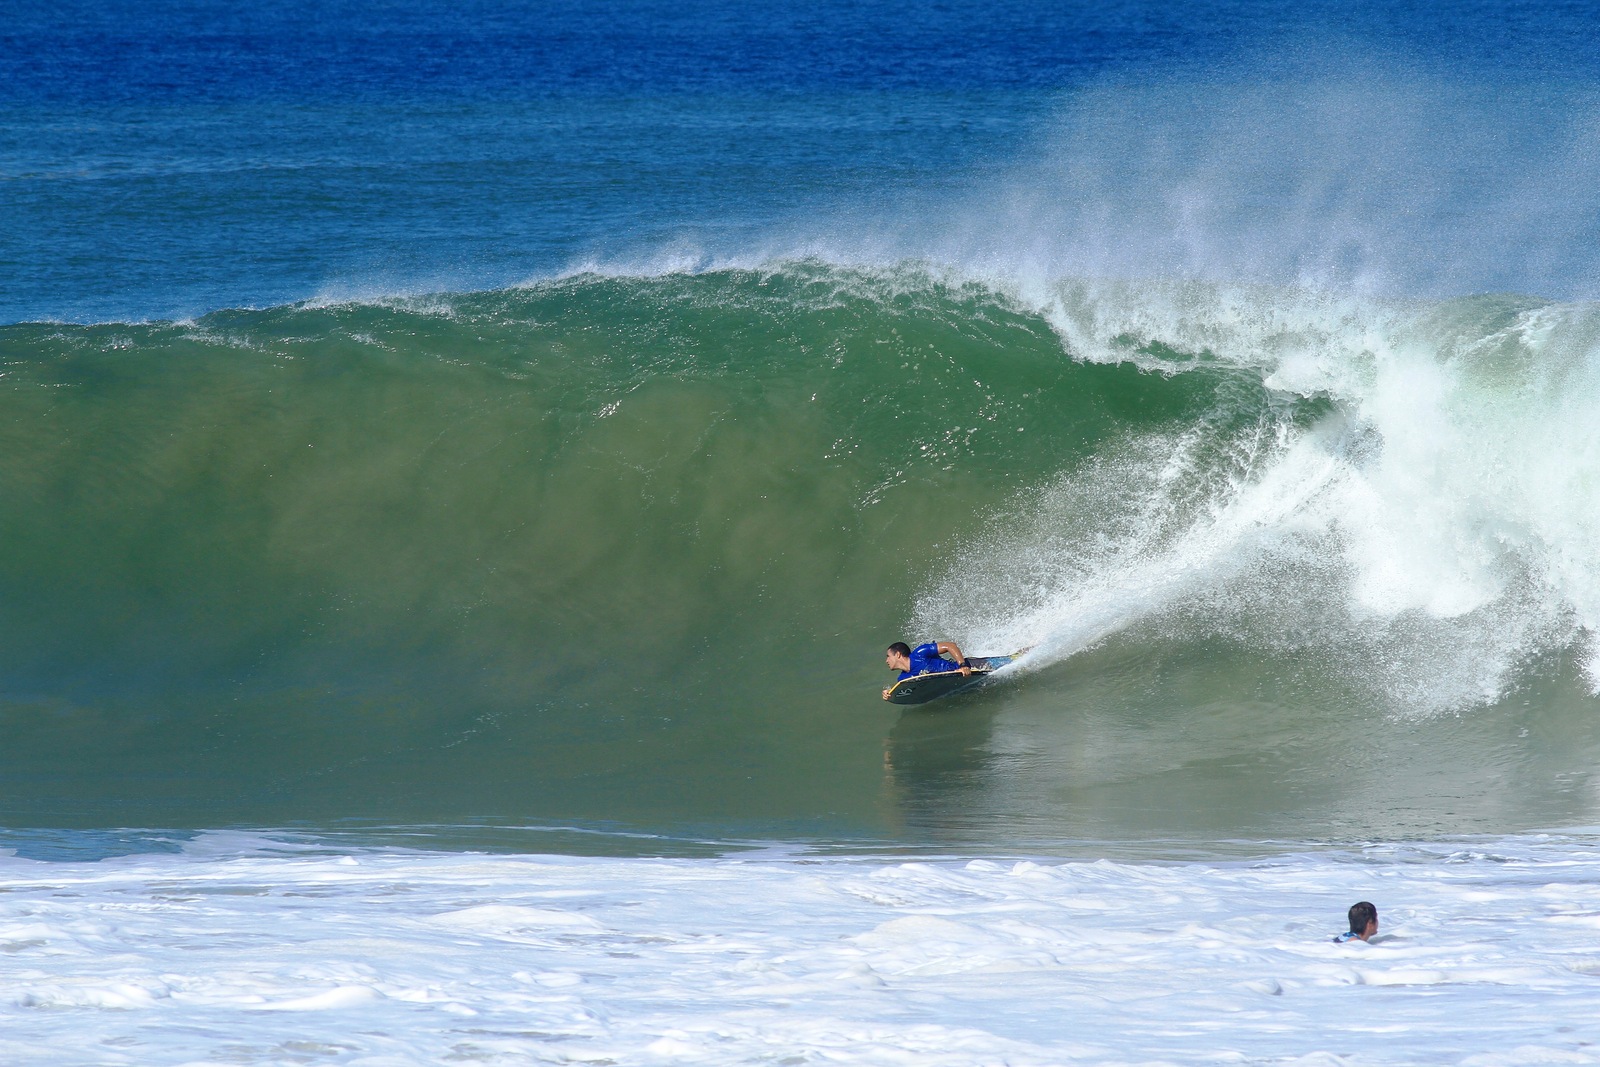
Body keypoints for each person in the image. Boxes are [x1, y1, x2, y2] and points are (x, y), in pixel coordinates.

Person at [883, 640, 971, 699]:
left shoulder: (920, 653)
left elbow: (950, 645)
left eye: (888, 656)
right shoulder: (903, 679)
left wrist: (962, 666)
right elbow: (908, 693)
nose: (886, 661)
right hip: (951, 682)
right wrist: (890, 694)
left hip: (968, 667)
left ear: (898, 654)